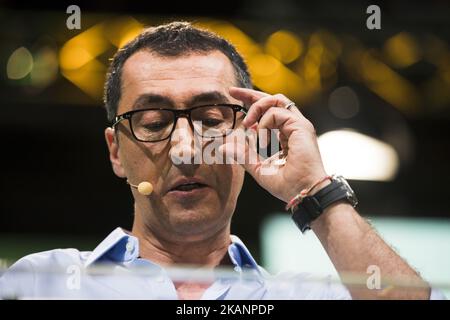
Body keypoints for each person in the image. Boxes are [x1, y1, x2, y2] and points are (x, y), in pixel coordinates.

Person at [0, 21, 444, 300]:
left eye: (212, 119)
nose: (187, 148)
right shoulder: (44, 282)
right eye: (153, 121)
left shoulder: (296, 294)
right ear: (117, 151)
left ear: (249, 133)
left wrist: (315, 189)